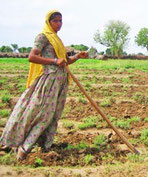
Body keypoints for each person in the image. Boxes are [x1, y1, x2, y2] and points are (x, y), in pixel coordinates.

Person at [0, 10, 88, 160]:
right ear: (49, 22)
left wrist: (77, 57)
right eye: (56, 21)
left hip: (60, 83)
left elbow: (65, 61)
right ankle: (23, 148)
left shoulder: (57, 40)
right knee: (42, 115)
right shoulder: (43, 37)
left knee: (53, 115)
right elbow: (32, 57)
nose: (59, 24)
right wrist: (54, 61)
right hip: (49, 82)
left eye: (61, 21)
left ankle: (43, 146)